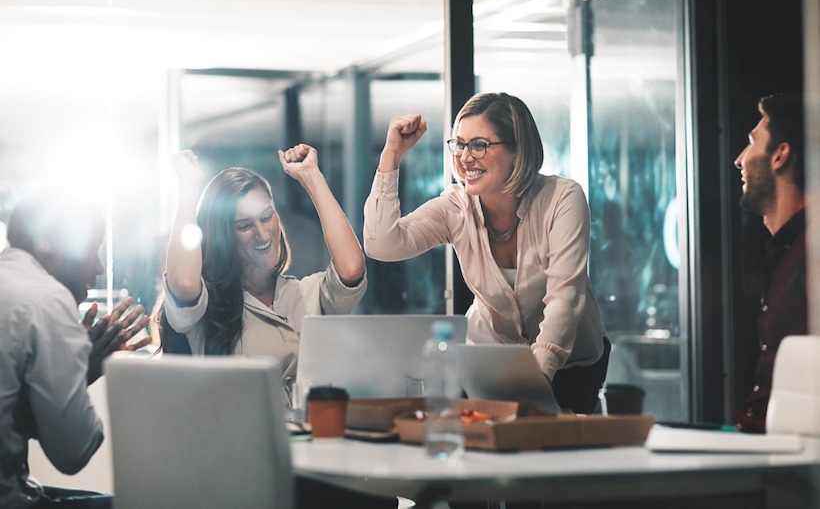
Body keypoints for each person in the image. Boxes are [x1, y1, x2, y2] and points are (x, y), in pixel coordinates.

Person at [364, 92, 610, 414]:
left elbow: (565, 299)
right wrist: (391, 155)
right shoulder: (455, 208)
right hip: (492, 362)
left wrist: (531, 386)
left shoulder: (562, 198)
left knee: (553, 454)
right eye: (460, 145)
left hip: (571, 363)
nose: (465, 157)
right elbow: (381, 244)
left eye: (479, 145)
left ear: (517, 151)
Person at [154, 144, 367, 379]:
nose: (262, 233)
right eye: (244, 226)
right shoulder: (206, 304)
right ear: (222, 236)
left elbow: (352, 267)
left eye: (267, 217)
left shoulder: (304, 293)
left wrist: (312, 177)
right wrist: (188, 188)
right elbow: (184, 282)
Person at [0, 188, 150, 509]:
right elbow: (73, 452)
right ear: (50, 243)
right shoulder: (47, 299)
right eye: (91, 248)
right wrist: (83, 369)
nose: (98, 267)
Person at [732, 92, 806, 433]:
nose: (739, 159)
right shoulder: (789, 251)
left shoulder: (812, 253)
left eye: (751, 143)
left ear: (780, 155)